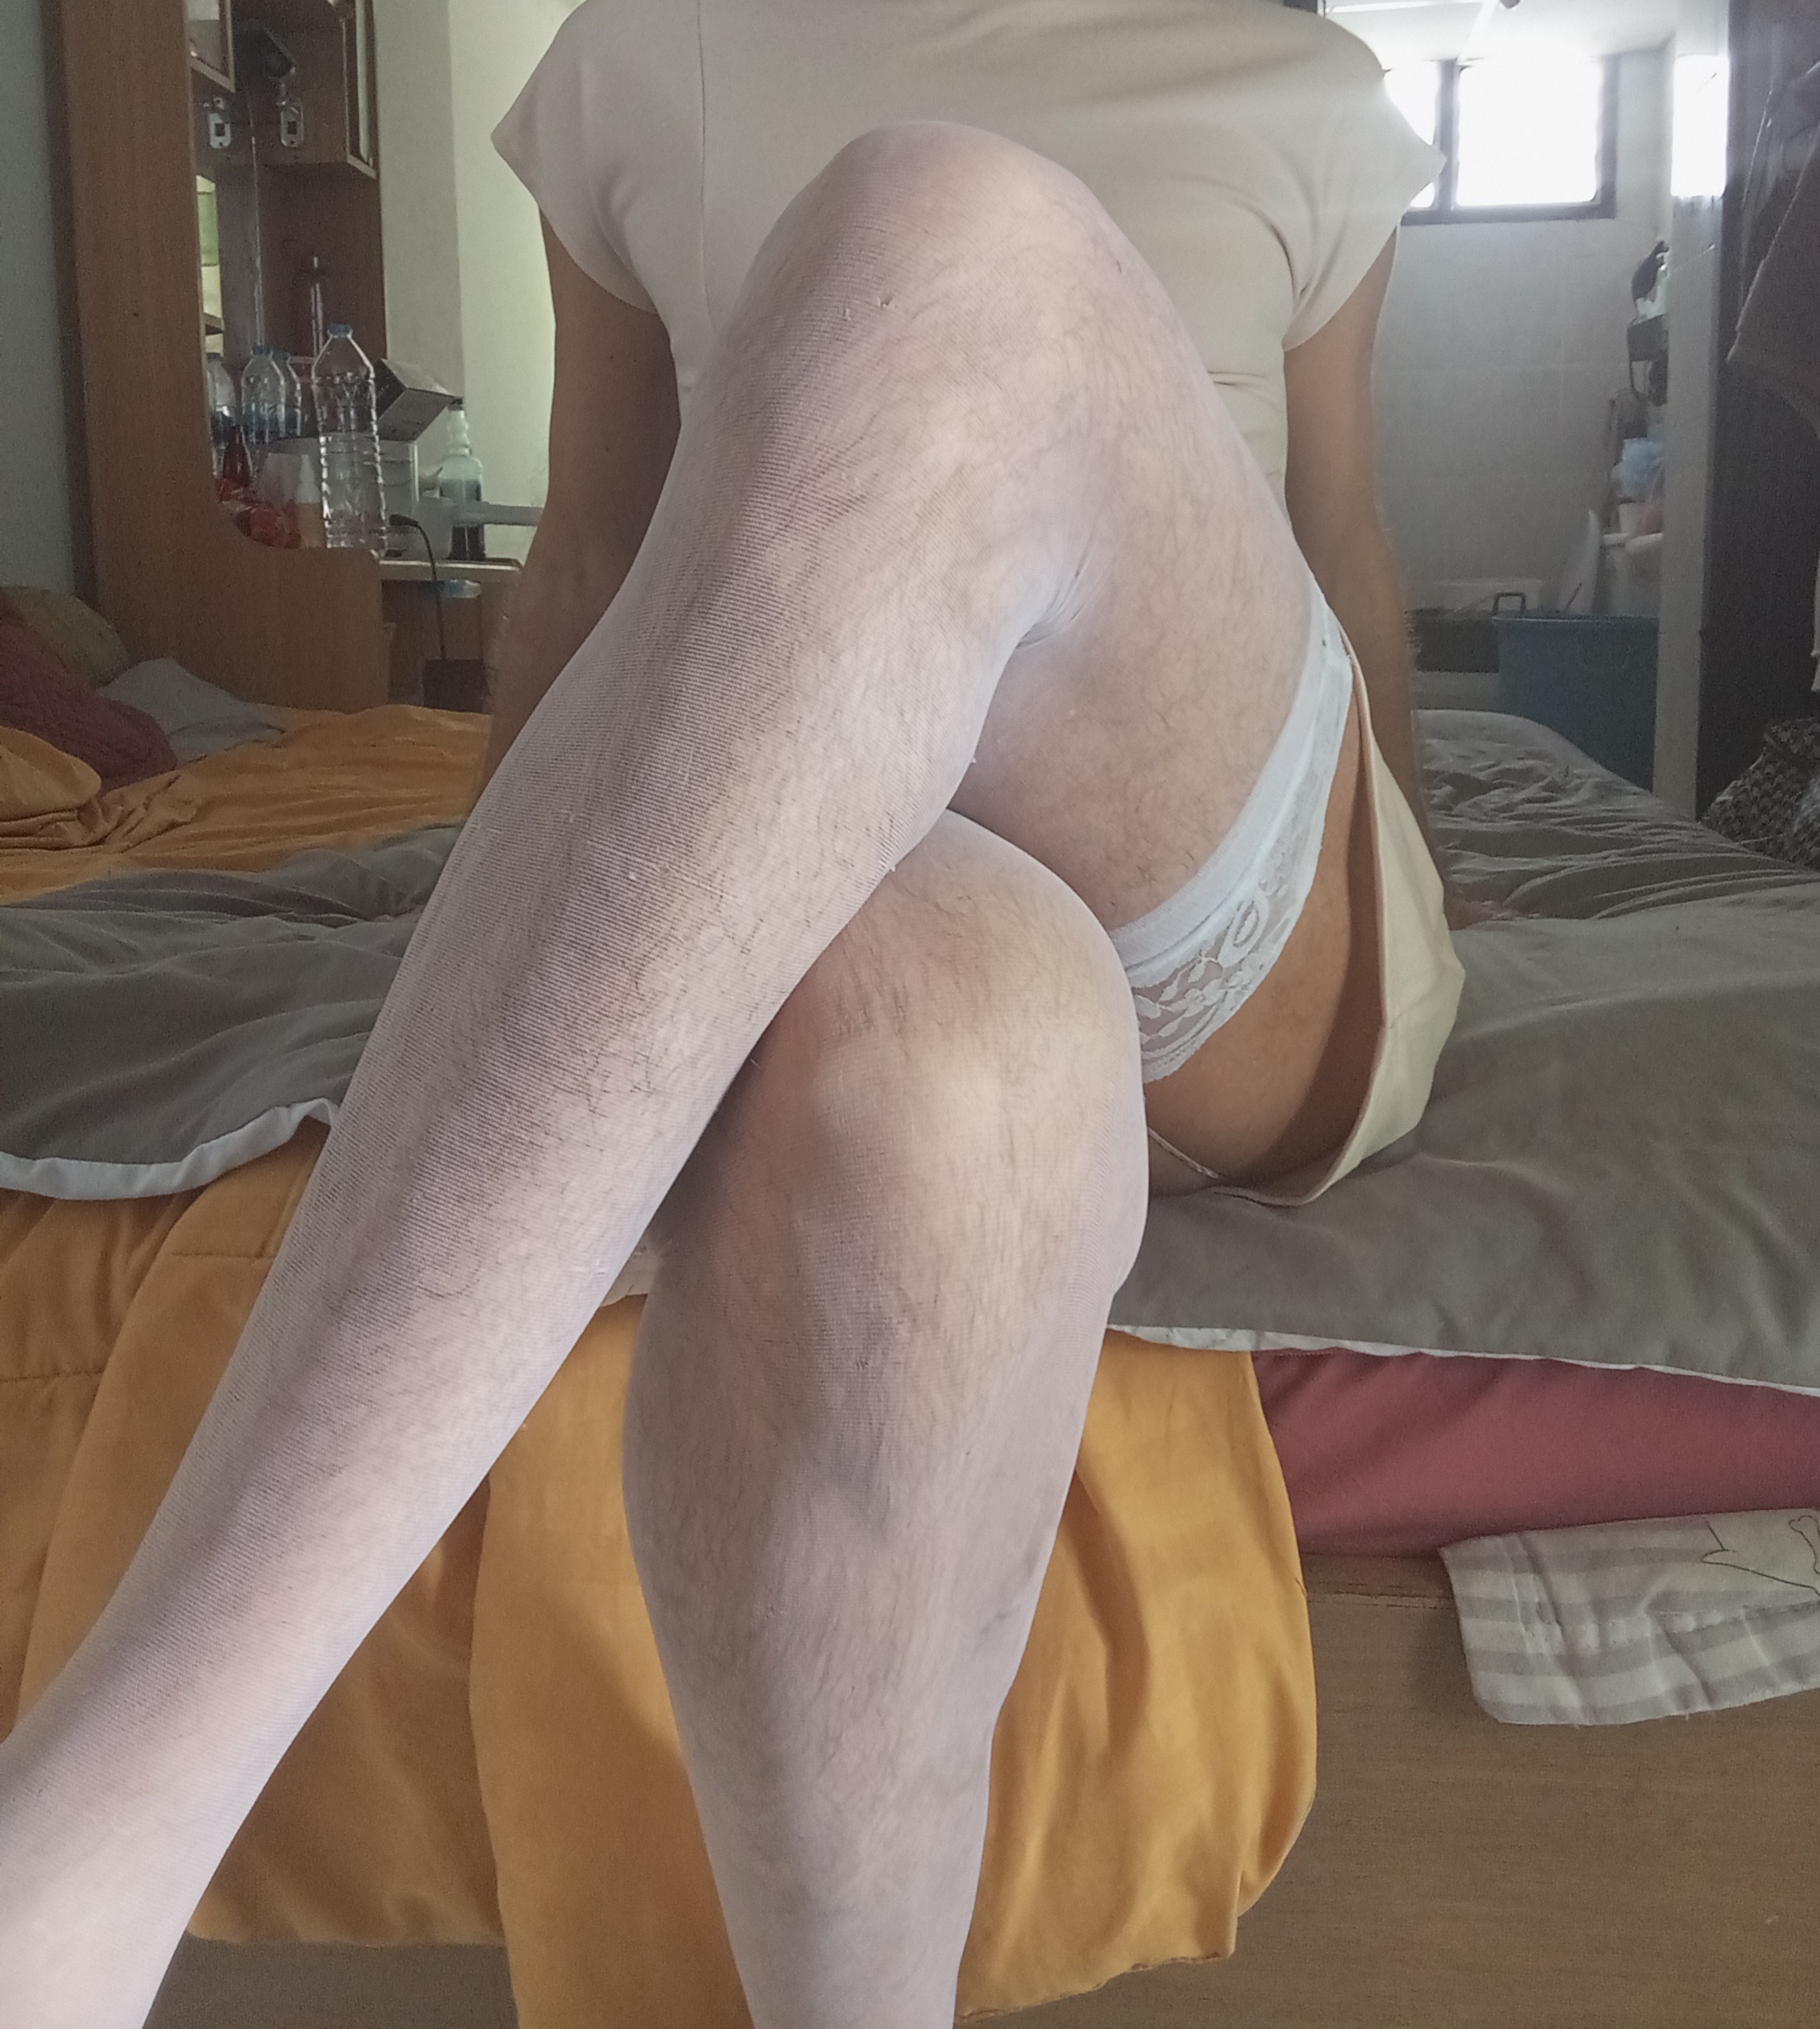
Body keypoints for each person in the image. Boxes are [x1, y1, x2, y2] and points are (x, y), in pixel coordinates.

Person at [0, 7, 1463, 2027]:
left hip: (1232, 873)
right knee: (917, 1042)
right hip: (830, 876)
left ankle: (85, 1856)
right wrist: (505, 964)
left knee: (948, 243)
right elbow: (594, 551)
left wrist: (1427, 886)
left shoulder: (1289, 73)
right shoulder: (641, 56)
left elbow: (1340, 541)